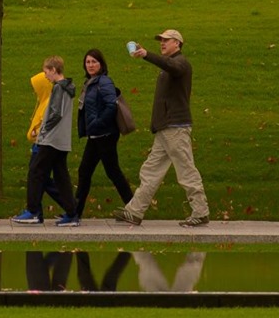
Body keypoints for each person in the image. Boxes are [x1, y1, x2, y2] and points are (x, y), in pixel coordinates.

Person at [117, 28, 209, 227]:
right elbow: (168, 66)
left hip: (175, 127)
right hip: (165, 128)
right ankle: (134, 212)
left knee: (186, 170)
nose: (162, 43)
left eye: (166, 40)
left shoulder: (181, 63)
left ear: (177, 43)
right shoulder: (170, 66)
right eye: (161, 40)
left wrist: (146, 54)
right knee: (150, 170)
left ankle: (201, 212)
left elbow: (172, 66)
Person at [13, 56, 80, 225]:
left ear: (54, 70)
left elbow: (55, 113)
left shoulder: (58, 88)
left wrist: (43, 130)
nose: (45, 76)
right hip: (62, 140)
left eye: (46, 72)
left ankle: (33, 211)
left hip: (51, 139)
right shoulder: (69, 88)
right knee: (60, 176)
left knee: (36, 171)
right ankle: (72, 212)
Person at [73, 48, 133, 216]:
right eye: (88, 62)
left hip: (104, 135)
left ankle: (134, 208)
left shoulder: (104, 82)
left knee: (109, 172)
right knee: (89, 171)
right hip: (96, 135)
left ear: (101, 64)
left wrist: (98, 123)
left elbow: (111, 105)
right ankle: (75, 212)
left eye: (94, 62)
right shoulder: (90, 83)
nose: (90, 65)